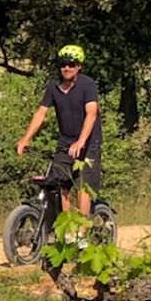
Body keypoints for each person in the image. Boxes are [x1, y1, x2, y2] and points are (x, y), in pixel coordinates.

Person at [15, 45, 102, 215]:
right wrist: (26, 138)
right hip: (65, 141)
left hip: (89, 142)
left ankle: (82, 236)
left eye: (71, 64)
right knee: (61, 184)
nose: (67, 68)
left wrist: (81, 142)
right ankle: (67, 230)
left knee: (83, 185)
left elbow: (91, 114)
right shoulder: (53, 86)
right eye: (63, 64)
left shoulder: (88, 85)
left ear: (79, 66)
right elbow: (41, 113)